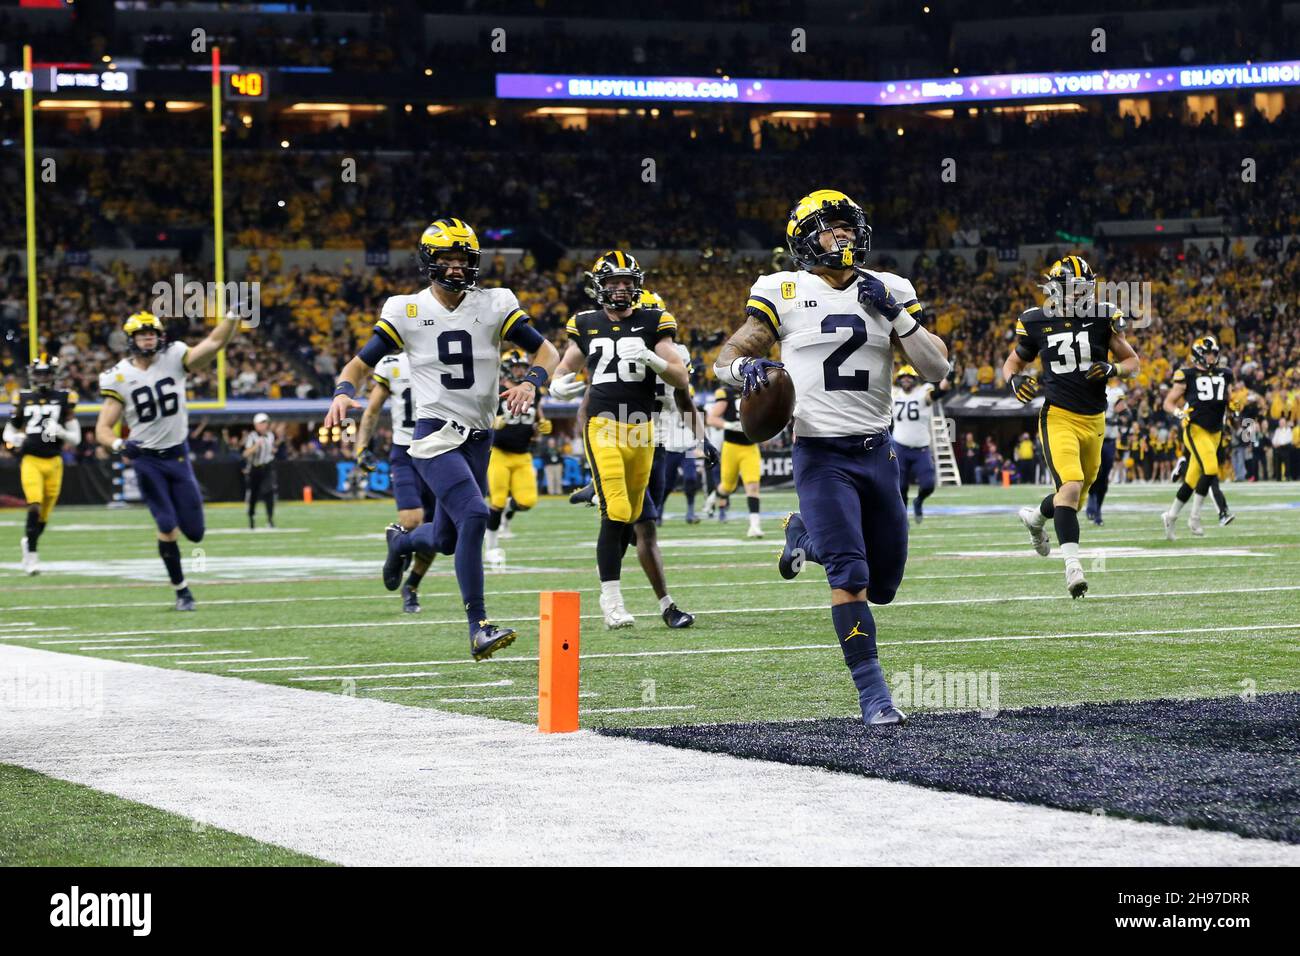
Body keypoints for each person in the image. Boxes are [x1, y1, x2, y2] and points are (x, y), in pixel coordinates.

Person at [716, 188, 950, 727]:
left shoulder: (890, 287)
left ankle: (805, 535)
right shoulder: (783, 289)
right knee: (851, 577)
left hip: (878, 451)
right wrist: (743, 373)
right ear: (804, 238)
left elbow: (937, 370)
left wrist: (900, 319)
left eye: (848, 225)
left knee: (884, 585)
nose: (842, 234)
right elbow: (728, 356)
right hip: (820, 455)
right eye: (830, 226)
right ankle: (874, 696)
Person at [325, 218, 559, 659]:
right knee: (475, 514)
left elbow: (547, 351)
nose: (455, 268)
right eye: (446, 259)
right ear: (428, 261)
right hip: (434, 435)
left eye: (462, 259)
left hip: (479, 437)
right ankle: (479, 627)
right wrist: (342, 393)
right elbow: (358, 364)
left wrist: (530, 382)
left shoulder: (495, 303)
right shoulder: (405, 310)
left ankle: (403, 541)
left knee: (448, 540)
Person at [548, 254, 691, 628]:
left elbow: (680, 378)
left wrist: (650, 357)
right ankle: (611, 600)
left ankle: (594, 491)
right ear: (600, 287)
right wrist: (558, 381)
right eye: (613, 283)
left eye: (627, 282)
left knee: (630, 516)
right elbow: (567, 365)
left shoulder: (653, 321)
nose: (621, 289)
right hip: (603, 426)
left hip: (643, 429)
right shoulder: (586, 323)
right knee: (614, 512)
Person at [1005, 255, 1140, 597]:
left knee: (1074, 498)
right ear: (1056, 289)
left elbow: (1132, 361)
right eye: (1073, 290)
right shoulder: (1036, 321)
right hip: (1058, 416)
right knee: (1072, 485)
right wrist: (1013, 380)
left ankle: (1036, 517)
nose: (1080, 296)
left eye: (1084, 289)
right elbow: (1013, 362)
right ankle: (1073, 568)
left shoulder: (1101, 318)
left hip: (1094, 419)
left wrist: (1113, 371)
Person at [95, 309, 241, 610]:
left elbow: (214, 343)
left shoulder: (174, 357)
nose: (149, 338)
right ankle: (182, 591)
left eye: (153, 333)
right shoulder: (119, 376)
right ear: (131, 339)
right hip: (146, 460)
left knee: (196, 532)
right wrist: (121, 444)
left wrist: (233, 315)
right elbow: (102, 429)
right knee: (166, 524)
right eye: (142, 334)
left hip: (178, 456)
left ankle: (182, 586)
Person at [354, 350, 437, 613]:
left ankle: (411, 585)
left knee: (438, 534)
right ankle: (400, 538)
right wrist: (361, 447)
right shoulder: (392, 365)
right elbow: (372, 410)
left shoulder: (443, 357)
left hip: (440, 453)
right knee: (413, 521)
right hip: (406, 453)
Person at [4, 355, 80, 574]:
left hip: (55, 461)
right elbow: (10, 429)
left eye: (46, 373)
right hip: (31, 460)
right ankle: (32, 558)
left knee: (44, 516)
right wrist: (14, 439)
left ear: (53, 375)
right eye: (39, 373)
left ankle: (29, 542)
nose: (42, 377)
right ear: (32, 375)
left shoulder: (65, 398)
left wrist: (62, 432)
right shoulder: (23, 398)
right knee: (34, 504)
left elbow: (76, 439)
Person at [1162, 335, 1235, 538]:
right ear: (1197, 355)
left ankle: (1171, 516)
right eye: (1208, 353)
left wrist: (1234, 407)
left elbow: (1228, 398)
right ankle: (1194, 517)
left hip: (1216, 430)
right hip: (1195, 428)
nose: (1212, 357)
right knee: (1211, 468)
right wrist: (1177, 412)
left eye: (1214, 353)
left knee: (1192, 480)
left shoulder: (1225, 373)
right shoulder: (1186, 374)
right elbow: (1168, 402)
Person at [485, 350, 551, 565]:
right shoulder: (494, 391)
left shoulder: (534, 392)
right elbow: (478, 417)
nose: (521, 371)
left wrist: (542, 425)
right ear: (506, 368)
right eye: (516, 367)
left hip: (522, 454)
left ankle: (506, 515)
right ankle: (492, 547)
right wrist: (492, 424)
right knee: (496, 501)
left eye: (523, 367)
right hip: (499, 453)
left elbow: (537, 416)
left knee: (527, 501)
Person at [890, 364, 946, 523]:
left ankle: (919, 501)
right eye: (903, 377)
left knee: (928, 484)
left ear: (915, 379)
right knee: (900, 488)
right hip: (899, 446)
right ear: (899, 380)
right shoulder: (894, 393)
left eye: (909, 377)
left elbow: (938, 393)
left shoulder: (923, 392)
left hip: (921, 448)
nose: (906, 379)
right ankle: (903, 521)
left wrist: (948, 379)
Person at [707, 382, 764, 536]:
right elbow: (711, 419)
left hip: (750, 446)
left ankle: (754, 525)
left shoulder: (756, 389)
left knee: (752, 485)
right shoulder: (726, 392)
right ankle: (713, 497)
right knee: (727, 487)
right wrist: (730, 425)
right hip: (731, 447)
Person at [1085, 381, 1127, 524]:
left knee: (1104, 476)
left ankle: (1098, 509)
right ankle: (1091, 498)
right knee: (1095, 471)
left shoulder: (1116, 391)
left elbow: (1122, 409)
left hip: (1110, 438)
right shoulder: (1092, 386)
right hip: (1096, 437)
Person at [242, 412, 277, 529]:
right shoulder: (252, 437)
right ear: (256, 425)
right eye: (261, 423)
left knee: (269, 492)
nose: (264, 425)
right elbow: (245, 453)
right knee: (254, 495)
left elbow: (271, 449)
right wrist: (256, 446)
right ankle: (251, 518)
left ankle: (270, 519)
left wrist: (271, 451)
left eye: (265, 423)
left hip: (267, 467)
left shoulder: (270, 435)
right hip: (255, 468)